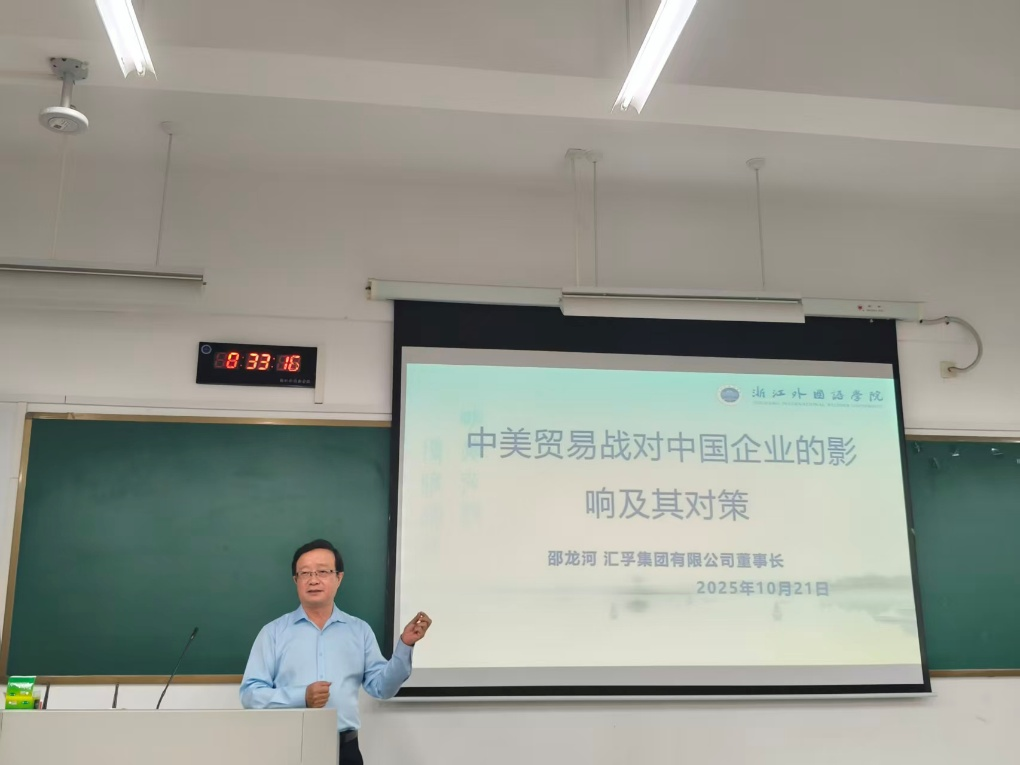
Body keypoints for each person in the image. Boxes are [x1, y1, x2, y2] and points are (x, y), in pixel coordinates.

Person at [240, 539, 431, 764]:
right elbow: (250, 695)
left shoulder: (359, 631)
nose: (313, 580)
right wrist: (302, 697)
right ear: (295, 580)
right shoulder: (273, 633)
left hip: (345, 751)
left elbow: (383, 688)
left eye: (322, 572)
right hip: (288, 748)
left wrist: (405, 645)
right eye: (305, 573)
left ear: (339, 578)